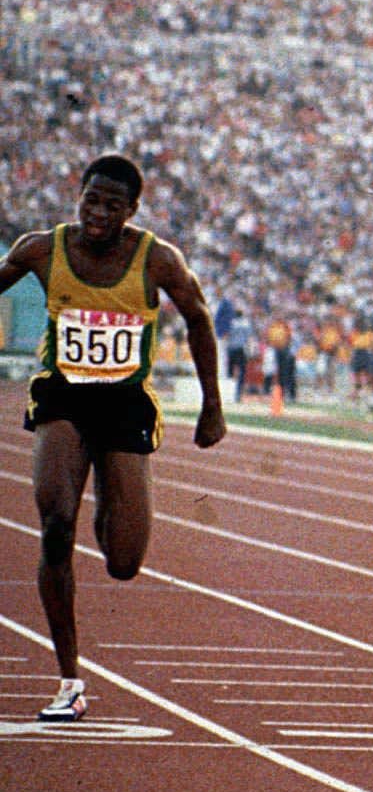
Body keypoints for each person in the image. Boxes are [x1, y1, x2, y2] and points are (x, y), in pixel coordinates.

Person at [0, 155, 227, 722]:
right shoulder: (41, 249)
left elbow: (199, 318)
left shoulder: (157, 260)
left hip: (125, 405)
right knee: (55, 523)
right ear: (78, 197)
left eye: (112, 205)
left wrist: (212, 407)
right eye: (90, 200)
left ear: (132, 212)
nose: (98, 214)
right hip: (64, 396)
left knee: (124, 560)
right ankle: (69, 681)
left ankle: (105, 480)